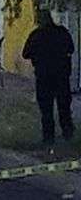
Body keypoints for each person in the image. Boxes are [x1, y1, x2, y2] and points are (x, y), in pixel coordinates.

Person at [23, 10, 75, 144]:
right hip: (61, 75)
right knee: (64, 106)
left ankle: (48, 136)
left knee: (46, 108)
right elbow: (71, 48)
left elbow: (26, 53)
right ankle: (68, 132)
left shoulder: (36, 35)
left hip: (44, 75)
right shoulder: (62, 32)